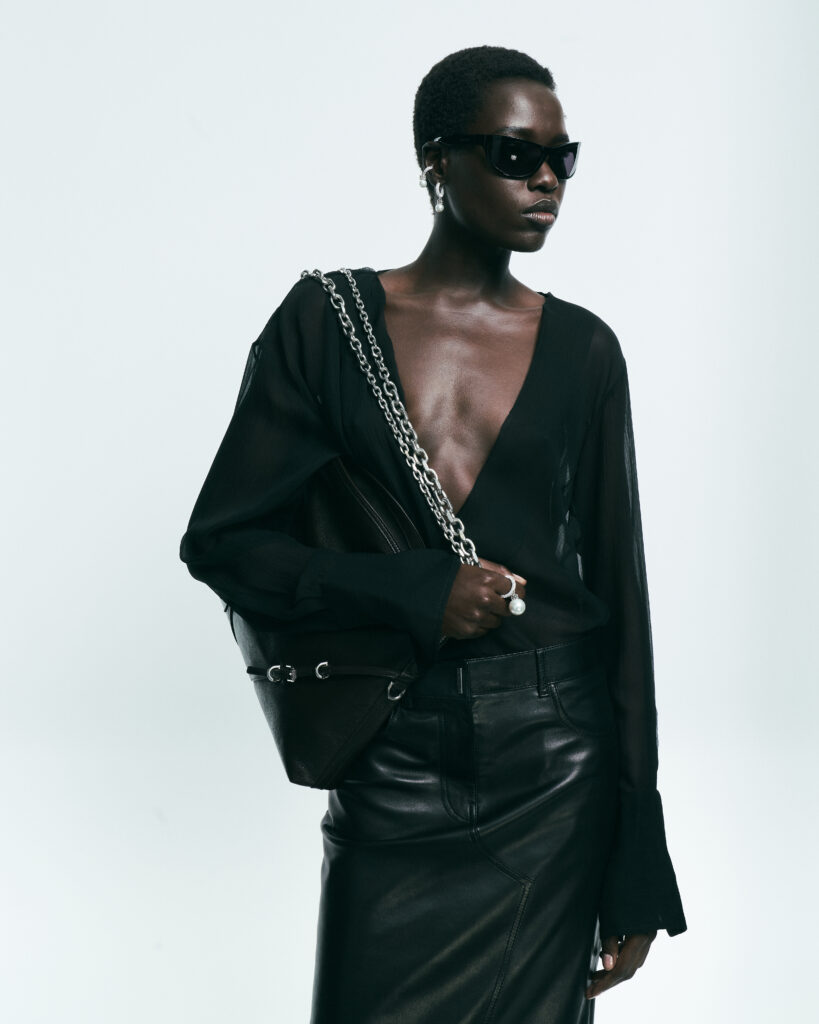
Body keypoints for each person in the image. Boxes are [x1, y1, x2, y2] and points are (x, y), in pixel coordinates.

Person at [180, 44, 687, 1024]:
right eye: (515, 155)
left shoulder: (586, 350)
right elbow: (225, 543)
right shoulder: (325, 326)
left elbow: (623, 610)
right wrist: (414, 591)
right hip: (394, 758)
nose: (546, 181)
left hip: (556, 767)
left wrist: (638, 856)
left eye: (562, 159)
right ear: (436, 162)